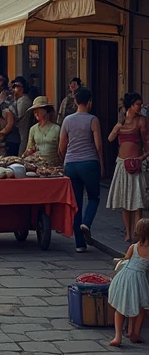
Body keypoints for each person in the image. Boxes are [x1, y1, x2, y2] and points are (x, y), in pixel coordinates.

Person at [59, 87, 105, 252]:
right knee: (93, 197)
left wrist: (66, 159)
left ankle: (79, 244)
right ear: (90, 102)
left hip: (71, 165)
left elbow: (62, 146)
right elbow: (98, 145)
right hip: (89, 163)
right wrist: (101, 163)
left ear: (76, 101)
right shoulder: (93, 120)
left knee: (76, 203)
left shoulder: (67, 120)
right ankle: (86, 223)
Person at [108, 92, 149, 242]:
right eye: (138, 104)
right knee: (125, 200)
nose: (140, 106)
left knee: (137, 201)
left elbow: (147, 142)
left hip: (136, 162)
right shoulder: (122, 122)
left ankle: (138, 234)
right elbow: (110, 138)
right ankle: (128, 232)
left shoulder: (142, 121)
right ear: (131, 105)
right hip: (122, 162)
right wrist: (118, 126)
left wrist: (142, 158)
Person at [108, 217, 149, 346]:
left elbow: (126, 259)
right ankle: (134, 333)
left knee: (120, 308)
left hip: (125, 277)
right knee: (140, 307)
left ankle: (117, 337)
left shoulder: (133, 246)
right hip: (139, 279)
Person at [23, 96, 60, 163]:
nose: (36, 113)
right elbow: (29, 148)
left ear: (46, 110)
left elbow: (62, 150)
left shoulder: (57, 129)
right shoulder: (33, 129)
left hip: (54, 163)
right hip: (38, 164)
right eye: (34, 111)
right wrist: (29, 152)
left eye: (38, 110)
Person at [10, 77, 33, 156]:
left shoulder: (24, 100)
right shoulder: (17, 99)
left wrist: (9, 107)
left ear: (21, 88)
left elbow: (18, 115)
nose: (14, 89)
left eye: (16, 86)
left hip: (23, 130)